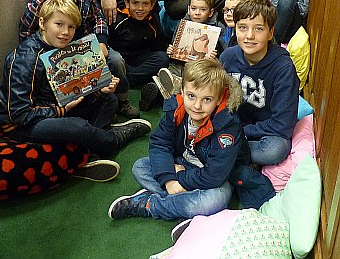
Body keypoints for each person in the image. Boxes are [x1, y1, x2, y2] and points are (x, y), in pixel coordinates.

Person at [0, 0, 152, 176]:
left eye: (71, 27)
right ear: (42, 23)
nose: (65, 32)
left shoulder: (66, 49)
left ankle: (89, 152)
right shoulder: (25, 59)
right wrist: (60, 111)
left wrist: (99, 91)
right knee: (78, 126)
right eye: (59, 24)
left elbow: (74, 92)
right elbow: (18, 114)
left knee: (108, 99)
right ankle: (113, 139)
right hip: (24, 124)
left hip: (58, 108)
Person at [108, 59, 275, 221]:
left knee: (216, 200)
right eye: (191, 96)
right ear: (182, 90)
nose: (197, 106)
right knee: (140, 167)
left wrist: (180, 179)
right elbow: (160, 143)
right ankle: (184, 206)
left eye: (207, 99)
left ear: (218, 99)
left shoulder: (227, 126)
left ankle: (150, 204)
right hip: (183, 164)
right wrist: (169, 179)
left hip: (217, 177)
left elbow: (214, 175)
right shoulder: (176, 109)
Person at [19, 0, 140, 119]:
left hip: (85, 46)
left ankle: (122, 101)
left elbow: (98, 18)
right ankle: (89, 109)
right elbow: (26, 30)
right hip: (55, 50)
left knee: (115, 60)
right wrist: (43, 55)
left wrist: (102, 41)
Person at [220, 0, 300, 166]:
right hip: (232, 125)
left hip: (264, 132)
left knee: (275, 150)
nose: (249, 36)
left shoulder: (283, 68)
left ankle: (222, 156)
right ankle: (229, 156)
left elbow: (283, 125)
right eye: (242, 28)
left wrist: (241, 132)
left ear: (270, 33)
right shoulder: (227, 57)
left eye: (258, 29)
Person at [107, 0, 169, 112]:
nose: (140, 8)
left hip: (140, 60)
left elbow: (158, 46)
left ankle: (128, 80)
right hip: (120, 61)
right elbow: (107, 46)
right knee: (115, 61)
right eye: (135, 3)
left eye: (145, 4)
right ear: (127, 3)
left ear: (152, 5)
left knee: (163, 58)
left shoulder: (153, 19)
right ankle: (133, 80)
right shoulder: (117, 19)